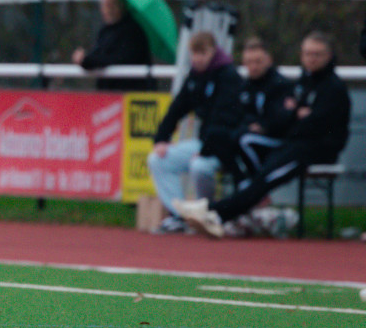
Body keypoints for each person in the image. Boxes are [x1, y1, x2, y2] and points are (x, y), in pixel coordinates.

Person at [175, 31, 352, 238]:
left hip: (314, 150)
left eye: (317, 54)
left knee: (263, 178)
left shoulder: (333, 87)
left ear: (329, 56)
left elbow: (318, 124)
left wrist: (297, 115)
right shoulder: (304, 82)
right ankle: (216, 214)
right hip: (293, 143)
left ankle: (213, 212)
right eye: (307, 53)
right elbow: (291, 117)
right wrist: (297, 114)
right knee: (243, 155)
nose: (311, 59)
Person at [146, 31, 243, 233]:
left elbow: (223, 120)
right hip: (204, 143)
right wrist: (161, 138)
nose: (197, 59)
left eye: (202, 53)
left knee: (199, 166)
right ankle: (182, 217)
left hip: (227, 147)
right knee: (157, 159)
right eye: (194, 53)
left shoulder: (228, 76)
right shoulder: (195, 76)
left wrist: (207, 149)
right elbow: (177, 108)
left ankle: (208, 215)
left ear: (213, 52)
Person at [204, 37, 293, 188]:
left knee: (244, 139)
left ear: (268, 60)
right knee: (215, 134)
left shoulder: (280, 84)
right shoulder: (244, 86)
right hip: (248, 133)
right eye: (249, 62)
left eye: (258, 61)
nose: (253, 66)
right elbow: (237, 115)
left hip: (275, 138)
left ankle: (259, 186)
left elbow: (283, 118)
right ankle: (242, 181)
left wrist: (263, 126)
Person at [72, 0, 155, 91]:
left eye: (110, 5)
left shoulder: (132, 31)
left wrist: (88, 60)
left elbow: (119, 59)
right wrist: (84, 58)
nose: (106, 10)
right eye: (104, 5)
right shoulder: (105, 31)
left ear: (120, 6)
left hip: (130, 95)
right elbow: (98, 55)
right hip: (107, 95)